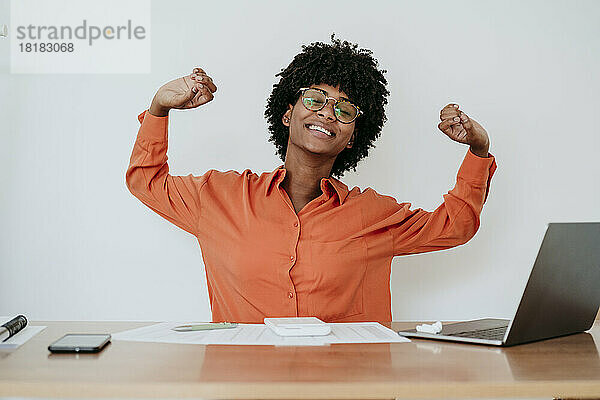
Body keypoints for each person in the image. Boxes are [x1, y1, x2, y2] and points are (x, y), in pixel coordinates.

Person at [126, 35, 497, 324]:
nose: (327, 113)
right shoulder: (219, 197)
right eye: (315, 98)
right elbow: (146, 181)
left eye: (344, 109)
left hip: (347, 386)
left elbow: (455, 226)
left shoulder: (373, 214)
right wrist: (159, 108)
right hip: (244, 383)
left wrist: (478, 151)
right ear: (287, 115)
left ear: (352, 137)